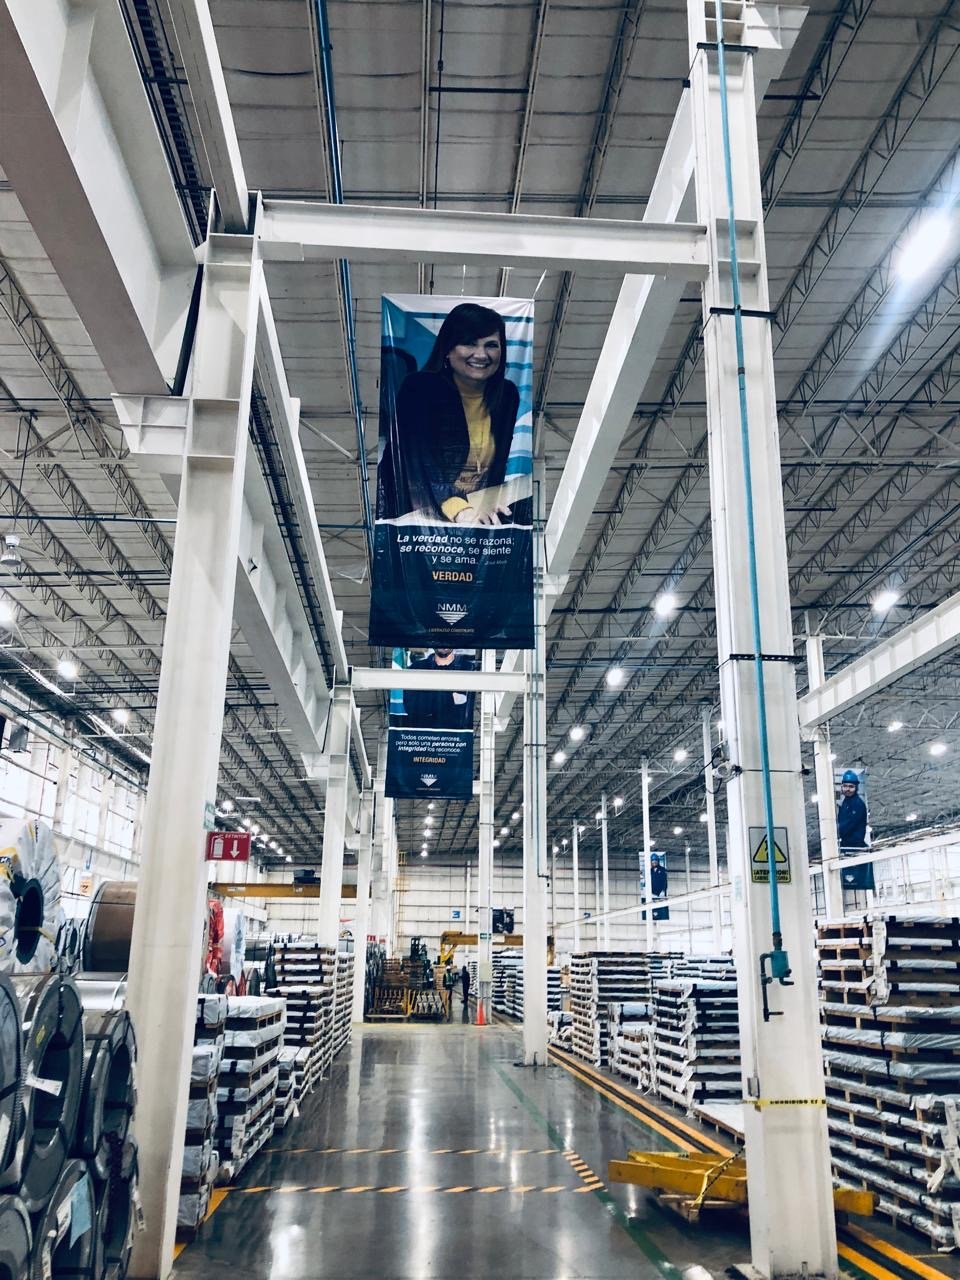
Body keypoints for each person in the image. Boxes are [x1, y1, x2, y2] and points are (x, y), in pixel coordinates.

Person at [378, 303, 521, 526]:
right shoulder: (419, 388)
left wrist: (488, 503)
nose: (481, 354)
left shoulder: (507, 396)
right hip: (414, 511)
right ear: (447, 348)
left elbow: (496, 469)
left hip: (469, 514)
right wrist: (459, 509)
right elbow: (417, 465)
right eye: (469, 343)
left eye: (491, 345)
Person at [837, 768, 874, 892]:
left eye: (851, 786)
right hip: (846, 846)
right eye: (845, 786)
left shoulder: (858, 804)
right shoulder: (845, 803)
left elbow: (847, 826)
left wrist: (834, 833)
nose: (847, 789)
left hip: (854, 847)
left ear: (856, 787)